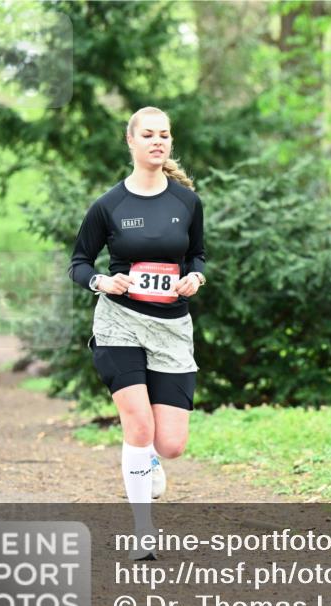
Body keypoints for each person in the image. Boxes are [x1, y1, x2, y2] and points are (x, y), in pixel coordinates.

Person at [68, 106, 205, 558]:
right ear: (130, 141)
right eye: (148, 134)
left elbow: (198, 255)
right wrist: (101, 281)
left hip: (171, 327)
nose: (157, 141)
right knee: (139, 423)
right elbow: (79, 263)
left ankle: (147, 457)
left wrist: (195, 278)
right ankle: (144, 531)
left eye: (164, 135)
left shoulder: (186, 202)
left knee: (171, 444)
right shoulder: (108, 205)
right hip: (119, 322)